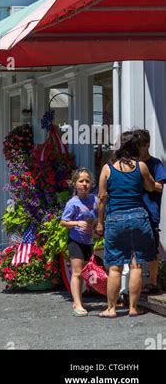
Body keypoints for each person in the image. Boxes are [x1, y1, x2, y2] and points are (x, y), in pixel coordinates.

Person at [96, 130, 157, 318]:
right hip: (139, 217)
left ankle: (111, 309)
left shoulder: (108, 169)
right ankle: (133, 308)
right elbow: (150, 186)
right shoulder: (141, 167)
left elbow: (101, 199)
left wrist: (99, 223)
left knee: (115, 266)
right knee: (137, 264)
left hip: (115, 218)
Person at [60, 168, 98, 316]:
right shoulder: (73, 203)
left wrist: (95, 227)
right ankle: (77, 303)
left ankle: (81, 299)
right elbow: (63, 222)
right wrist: (77, 223)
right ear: (74, 184)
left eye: (87, 181)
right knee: (77, 272)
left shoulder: (94, 200)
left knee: (86, 272)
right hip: (75, 240)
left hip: (89, 240)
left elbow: (96, 217)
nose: (84, 184)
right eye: (81, 181)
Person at [138, 129, 166, 294]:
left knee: (152, 248)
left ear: (147, 145)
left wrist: (142, 180)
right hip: (134, 212)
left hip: (151, 211)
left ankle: (153, 282)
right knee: (137, 250)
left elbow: (159, 186)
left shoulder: (155, 164)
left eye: (140, 146)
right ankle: (137, 283)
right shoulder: (132, 164)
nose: (138, 149)